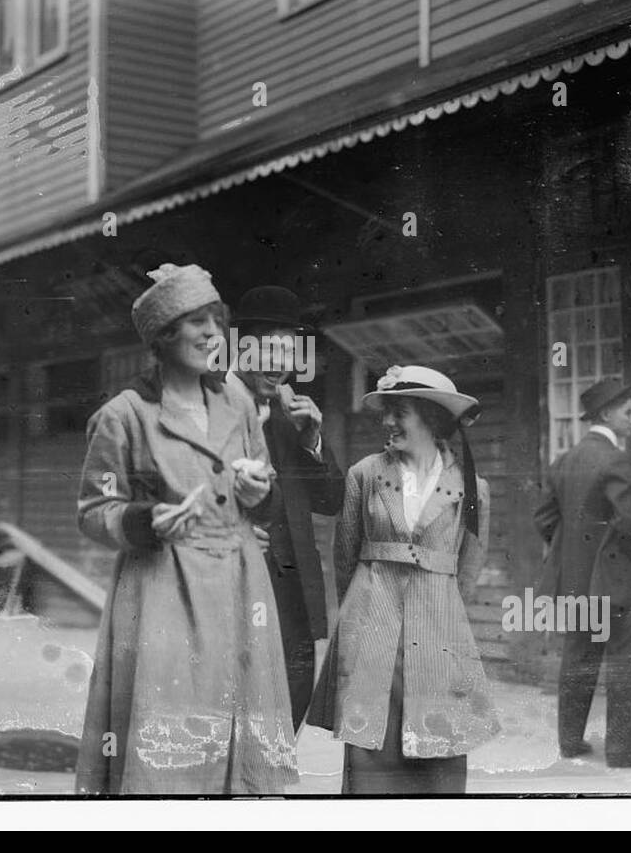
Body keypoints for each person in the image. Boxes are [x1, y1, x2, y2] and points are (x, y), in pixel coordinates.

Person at [73, 263, 298, 795]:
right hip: (162, 587)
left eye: (215, 323)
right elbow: (93, 509)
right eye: (195, 322)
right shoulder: (124, 415)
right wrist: (143, 520)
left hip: (241, 582)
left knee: (242, 729)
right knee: (170, 727)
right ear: (162, 334)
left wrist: (258, 493)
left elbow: (263, 487)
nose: (211, 335)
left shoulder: (237, 401)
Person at [307, 365, 499, 794]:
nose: (387, 422)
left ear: (432, 418)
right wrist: (359, 619)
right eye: (386, 411)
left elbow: (467, 568)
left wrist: (440, 613)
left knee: (439, 754)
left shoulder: (472, 487)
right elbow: (346, 558)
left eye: (400, 411)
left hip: (439, 634)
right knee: (371, 759)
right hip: (372, 631)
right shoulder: (365, 474)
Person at [226, 285, 344, 728]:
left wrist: (312, 439)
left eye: (290, 352)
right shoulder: (209, 404)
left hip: (291, 586)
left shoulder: (290, 413)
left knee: (291, 702)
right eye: (271, 349)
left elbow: (332, 501)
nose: (281, 365)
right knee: (231, 706)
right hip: (228, 579)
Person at [533, 378, 631, 767]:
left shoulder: (564, 460)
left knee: (578, 657)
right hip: (616, 582)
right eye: (627, 412)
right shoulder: (615, 460)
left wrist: (578, 549)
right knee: (623, 658)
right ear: (607, 414)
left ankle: (570, 742)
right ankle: (622, 749)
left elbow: (543, 519)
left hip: (575, 582)